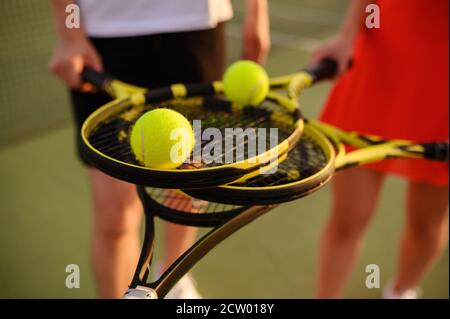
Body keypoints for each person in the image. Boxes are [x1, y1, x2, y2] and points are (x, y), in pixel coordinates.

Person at [49, 0, 270, 298]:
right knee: (115, 216)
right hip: (104, 35)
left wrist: (257, 12)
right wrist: (69, 33)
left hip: (197, 25)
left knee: (188, 189)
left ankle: (174, 279)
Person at [311, 0, 448, 298]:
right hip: (381, 58)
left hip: (444, 84)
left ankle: (401, 291)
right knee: (348, 217)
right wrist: (347, 35)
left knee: (427, 222)